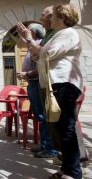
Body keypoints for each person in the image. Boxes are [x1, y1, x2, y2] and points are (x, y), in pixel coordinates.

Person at [18, 4, 83, 179]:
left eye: (53, 16)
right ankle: (66, 168)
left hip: (64, 83)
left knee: (66, 129)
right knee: (60, 130)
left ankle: (74, 173)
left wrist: (30, 41)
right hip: (54, 84)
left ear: (62, 18)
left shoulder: (69, 33)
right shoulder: (57, 35)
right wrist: (29, 42)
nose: (49, 19)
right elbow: (39, 57)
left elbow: (46, 54)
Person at [16, 23, 57, 159]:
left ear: (33, 33)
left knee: (43, 116)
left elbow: (41, 66)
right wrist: (22, 34)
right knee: (40, 116)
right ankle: (44, 145)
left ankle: (49, 148)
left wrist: (26, 74)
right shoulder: (32, 44)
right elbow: (23, 43)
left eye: (28, 30)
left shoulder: (37, 45)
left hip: (37, 83)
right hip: (33, 83)